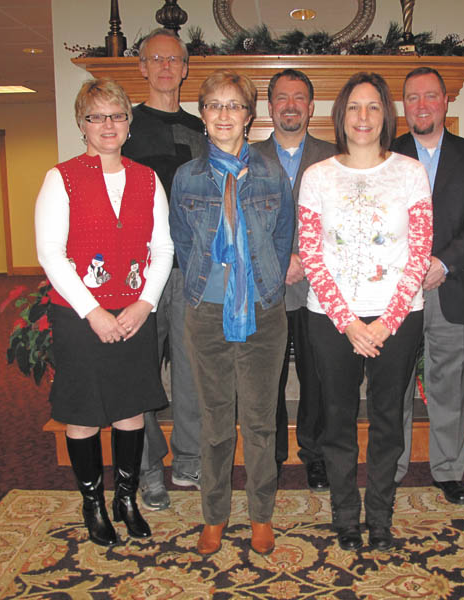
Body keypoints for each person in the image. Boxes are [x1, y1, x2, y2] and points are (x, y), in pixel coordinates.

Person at [35, 78, 173, 546]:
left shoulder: (145, 178)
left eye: (116, 115)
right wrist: (94, 312)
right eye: (96, 116)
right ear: (82, 125)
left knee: (130, 410)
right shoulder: (62, 178)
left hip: (134, 311)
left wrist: (144, 303)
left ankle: (127, 498)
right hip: (79, 316)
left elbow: (164, 247)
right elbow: (51, 253)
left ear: (129, 123)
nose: (107, 125)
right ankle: (93, 502)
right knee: (85, 414)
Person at [298, 72, 432, 551]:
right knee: (336, 421)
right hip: (333, 320)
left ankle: (380, 516)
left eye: (373, 107)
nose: (363, 117)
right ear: (341, 116)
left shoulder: (410, 173)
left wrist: (384, 324)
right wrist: (352, 324)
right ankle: (345, 518)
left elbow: (419, 254)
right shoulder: (317, 177)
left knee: (387, 421)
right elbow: (311, 256)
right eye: (354, 107)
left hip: (397, 317)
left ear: (386, 116)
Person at [170, 70, 294, 556]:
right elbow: (183, 242)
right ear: (203, 115)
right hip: (206, 312)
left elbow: (282, 238)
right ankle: (214, 516)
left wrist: (262, 278)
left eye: (234, 106)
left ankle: (261, 516)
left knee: (261, 421)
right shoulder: (186, 178)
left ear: (249, 115)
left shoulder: (270, 174)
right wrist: (211, 281)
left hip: (263, 311)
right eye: (215, 106)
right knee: (216, 421)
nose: (224, 115)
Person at [392, 68, 464, 504]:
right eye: (412, 98)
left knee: (448, 382)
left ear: (446, 101)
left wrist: (444, 263)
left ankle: (448, 471)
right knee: (392, 381)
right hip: (395, 291)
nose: (421, 105)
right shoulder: (385, 154)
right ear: (404, 105)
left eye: (430, 96)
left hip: (451, 285)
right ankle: (391, 466)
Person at [121, 28, 205, 511]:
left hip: (191, 268)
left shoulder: (200, 128)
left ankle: (189, 457)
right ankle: (149, 467)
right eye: (156, 58)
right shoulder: (124, 127)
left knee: (192, 368)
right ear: (142, 67)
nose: (166, 67)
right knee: (140, 370)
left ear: (185, 66)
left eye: (174, 59)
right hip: (140, 271)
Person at [251, 69, 336, 490]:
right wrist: (276, 259)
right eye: (282, 97)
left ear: (310, 107)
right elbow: (241, 223)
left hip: (318, 289)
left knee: (316, 376)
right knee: (268, 378)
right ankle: (271, 455)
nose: (290, 105)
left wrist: (305, 257)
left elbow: (343, 223)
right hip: (264, 289)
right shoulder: (246, 157)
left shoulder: (334, 156)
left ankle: (314, 454)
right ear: (269, 107)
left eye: (299, 97)